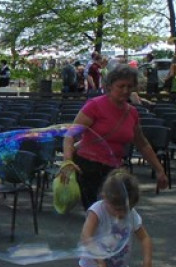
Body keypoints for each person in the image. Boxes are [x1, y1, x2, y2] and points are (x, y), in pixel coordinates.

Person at [59, 65, 169, 209]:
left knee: (115, 211)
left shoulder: (132, 113)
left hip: (113, 168)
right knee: (96, 213)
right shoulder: (95, 106)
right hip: (88, 167)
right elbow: (70, 134)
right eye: (121, 86)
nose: (125, 90)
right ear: (110, 86)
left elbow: (143, 144)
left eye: (129, 86)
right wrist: (68, 161)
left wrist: (159, 170)